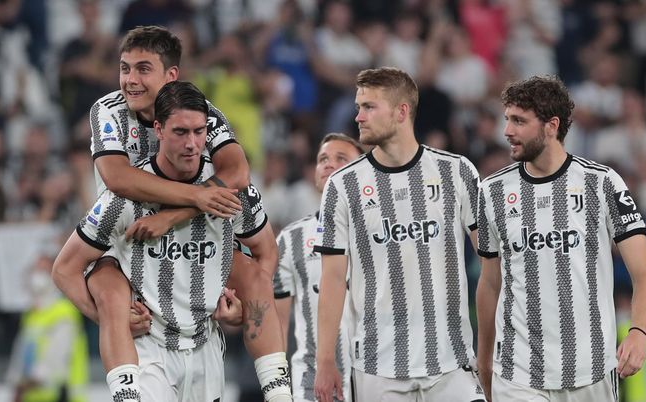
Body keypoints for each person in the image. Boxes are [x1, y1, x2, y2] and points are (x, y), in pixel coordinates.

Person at [55, 26, 290, 402]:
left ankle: (281, 394)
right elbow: (117, 179)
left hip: (196, 236)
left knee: (253, 275)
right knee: (110, 291)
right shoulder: (108, 109)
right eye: (125, 68)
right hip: (124, 236)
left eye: (143, 69)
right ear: (161, 130)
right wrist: (109, 322)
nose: (130, 80)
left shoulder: (201, 112)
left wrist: (173, 216)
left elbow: (237, 174)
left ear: (171, 75)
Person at [476, 75, 646, 402]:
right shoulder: (492, 192)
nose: (507, 131)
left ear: (551, 125)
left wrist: (638, 331)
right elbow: (490, 284)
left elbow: (644, 272)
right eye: (507, 120)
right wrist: (485, 361)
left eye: (519, 121)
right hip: (518, 374)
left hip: (591, 369)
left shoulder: (602, 183)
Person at [313, 67, 485, 402]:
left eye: (369, 107)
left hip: (452, 362)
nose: (358, 116)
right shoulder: (341, 186)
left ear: (401, 111)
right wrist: (325, 360)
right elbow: (332, 279)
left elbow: (492, 261)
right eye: (358, 106)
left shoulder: (457, 172)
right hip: (378, 367)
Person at [273, 133, 364, 402]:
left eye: (340, 158)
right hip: (312, 386)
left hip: (378, 379)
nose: (328, 164)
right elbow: (276, 323)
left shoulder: (381, 233)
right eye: (322, 159)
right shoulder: (290, 239)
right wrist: (276, 386)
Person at [7, 250, 89, 402]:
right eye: (36, 270)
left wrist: (28, 382)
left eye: (43, 270)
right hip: (33, 395)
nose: (37, 276)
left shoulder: (63, 311)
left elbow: (57, 354)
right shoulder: (31, 314)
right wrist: (17, 383)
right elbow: (23, 352)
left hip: (60, 394)